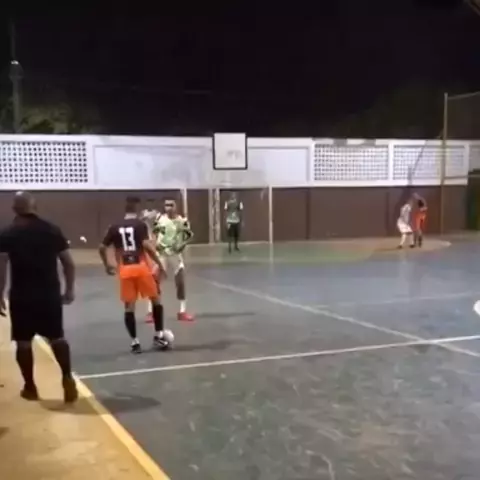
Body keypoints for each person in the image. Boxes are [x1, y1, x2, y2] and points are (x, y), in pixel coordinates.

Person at [0, 191, 78, 403]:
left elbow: (1, 267)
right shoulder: (52, 230)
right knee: (57, 337)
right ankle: (67, 377)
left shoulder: (8, 233)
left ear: (14, 208)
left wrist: (0, 294)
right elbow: (69, 263)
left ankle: (30, 387)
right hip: (49, 294)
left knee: (23, 342)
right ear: (35, 206)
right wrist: (69, 289)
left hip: (22, 296)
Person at [98, 196, 171, 353]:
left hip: (125, 270)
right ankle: (158, 336)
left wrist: (107, 265)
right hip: (141, 267)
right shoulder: (140, 225)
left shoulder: (114, 226)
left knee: (129, 307)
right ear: (136, 209)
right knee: (156, 299)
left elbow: (102, 247)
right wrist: (159, 264)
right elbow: (147, 246)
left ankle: (135, 342)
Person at [150, 197, 194, 322]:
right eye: (166, 205)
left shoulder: (182, 221)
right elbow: (154, 233)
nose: (168, 207)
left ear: (176, 206)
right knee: (154, 282)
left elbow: (189, 236)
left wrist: (181, 245)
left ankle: (182, 311)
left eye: (171, 205)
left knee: (180, 281)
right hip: (162, 254)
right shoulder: (160, 219)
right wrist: (155, 245)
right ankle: (151, 312)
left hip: (175, 254)